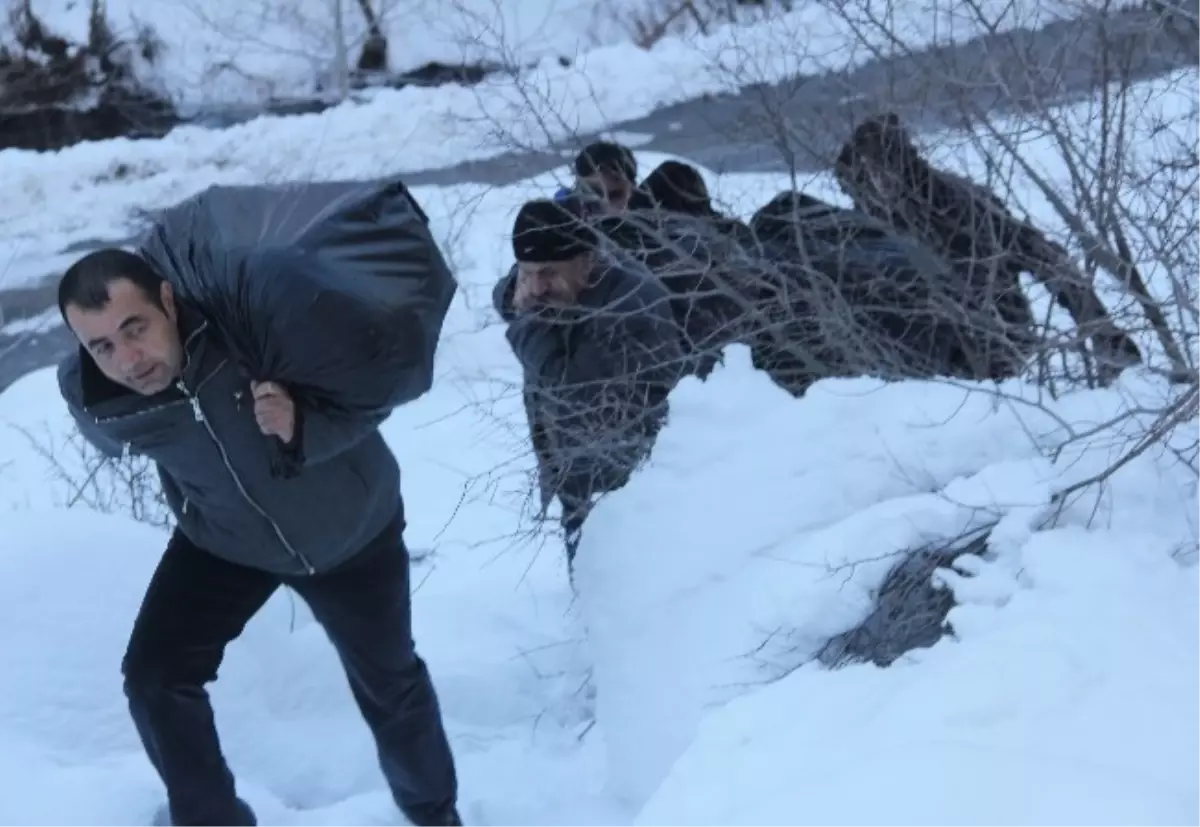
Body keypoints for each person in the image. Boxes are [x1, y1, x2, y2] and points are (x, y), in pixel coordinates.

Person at [55, 248, 461, 827]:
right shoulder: (94, 394)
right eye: (101, 346)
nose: (127, 360)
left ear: (167, 300)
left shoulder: (253, 327)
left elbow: (372, 391)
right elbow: (116, 438)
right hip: (226, 541)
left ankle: (435, 815)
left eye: (134, 328)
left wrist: (304, 424)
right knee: (156, 676)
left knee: (390, 684)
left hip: (349, 530)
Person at [493, 198, 684, 571]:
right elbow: (506, 291)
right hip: (576, 477)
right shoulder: (559, 286)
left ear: (586, 259)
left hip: (629, 489)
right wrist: (517, 294)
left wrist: (527, 322)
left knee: (627, 598)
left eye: (546, 274)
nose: (534, 288)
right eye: (526, 274)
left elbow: (574, 390)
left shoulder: (631, 306)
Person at [553, 140, 638, 215]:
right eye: (594, 193)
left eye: (614, 195)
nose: (604, 204)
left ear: (632, 191)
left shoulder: (644, 225)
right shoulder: (551, 222)